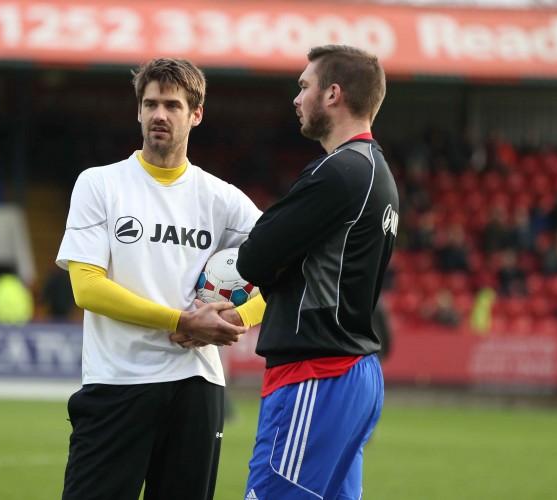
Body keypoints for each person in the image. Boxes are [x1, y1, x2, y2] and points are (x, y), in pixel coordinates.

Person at [55, 57, 263, 500]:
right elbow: (86, 287)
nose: (159, 115)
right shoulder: (100, 185)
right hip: (117, 383)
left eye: (172, 105)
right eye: (150, 104)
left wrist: (238, 318)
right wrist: (181, 322)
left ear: (196, 114)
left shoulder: (222, 199)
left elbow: (288, 269)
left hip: (196, 387)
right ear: (138, 111)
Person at [234, 45, 398, 500]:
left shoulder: (338, 172)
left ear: (333, 94)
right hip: (354, 372)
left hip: (317, 375)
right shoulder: (377, 172)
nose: (296, 97)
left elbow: (253, 257)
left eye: (304, 86)